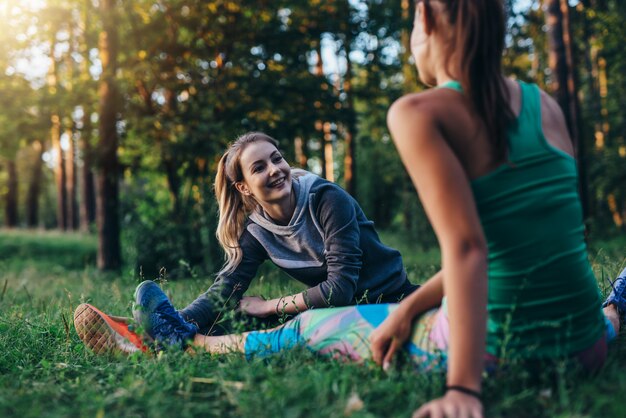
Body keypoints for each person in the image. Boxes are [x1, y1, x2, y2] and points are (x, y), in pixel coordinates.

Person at [139, 132, 418, 336]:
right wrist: (178, 318)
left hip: (392, 301)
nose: (275, 170)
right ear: (244, 188)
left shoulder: (327, 200)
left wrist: (269, 306)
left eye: (276, 159)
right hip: (334, 313)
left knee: (279, 323)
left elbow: (340, 290)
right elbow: (226, 290)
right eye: (259, 168)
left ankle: (180, 338)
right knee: (233, 323)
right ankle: (171, 334)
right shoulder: (257, 232)